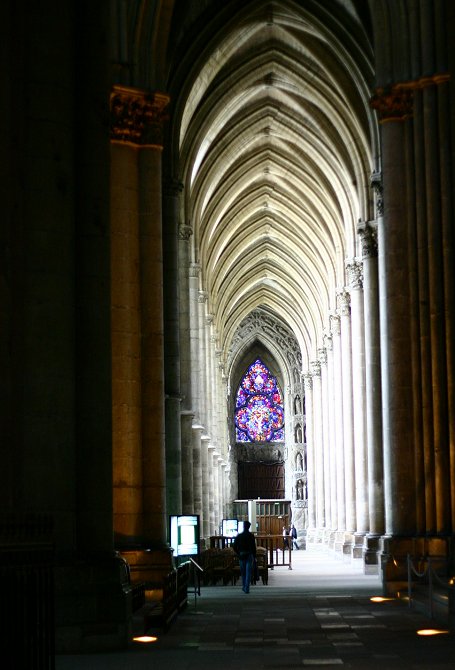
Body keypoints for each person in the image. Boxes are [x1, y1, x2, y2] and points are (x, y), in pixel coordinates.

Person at [233, 520, 257, 593]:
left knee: (243, 572)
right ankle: (247, 587)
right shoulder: (251, 536)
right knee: (248, 572)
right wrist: (254, 556)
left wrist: (238, 553)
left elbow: (234, 546)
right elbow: (253, 547)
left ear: (243, 527)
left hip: (242, 555)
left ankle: (244, 586)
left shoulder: (239, 536)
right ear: (249, 527)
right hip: (249, 555)